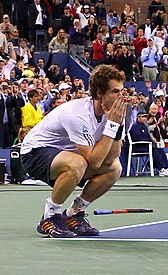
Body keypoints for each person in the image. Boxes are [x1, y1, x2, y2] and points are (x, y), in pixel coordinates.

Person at [19, 65, 129, 238]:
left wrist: (117, 125)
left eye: (122, 91)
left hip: (65, 155)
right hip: (34, 153)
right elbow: (94, 162)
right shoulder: (77, 115)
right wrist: (113, 125)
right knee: (78, 163)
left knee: (115, 168)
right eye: (115, 92)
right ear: (100, 93)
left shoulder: (113, 113)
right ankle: (50, 216)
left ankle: (73, 214)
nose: (121, 97)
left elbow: (110, 158)